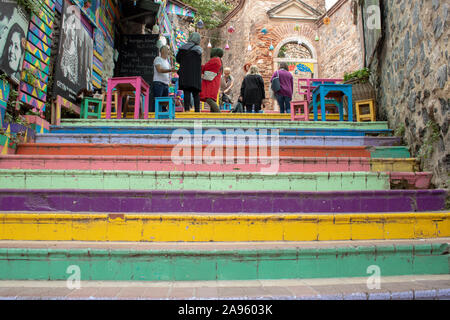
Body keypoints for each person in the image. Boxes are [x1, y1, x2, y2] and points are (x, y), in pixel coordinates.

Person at [176, 32, 202, 112]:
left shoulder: (182, 48)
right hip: (195, 75)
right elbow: (200, 62)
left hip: (185, 74)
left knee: (186, 92)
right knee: (196, 93)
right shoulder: (199, 50)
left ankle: (187, 110)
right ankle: (197, 111)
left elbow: (178, 59)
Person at [200, 48, 223, 113]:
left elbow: (206, 67)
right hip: (215, 81)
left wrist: (198, 66)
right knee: (212, 99)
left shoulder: (215, 60)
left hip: (212, 82)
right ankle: (214, 117)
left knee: (209, 98)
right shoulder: (219, 60)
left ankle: (219, 115)